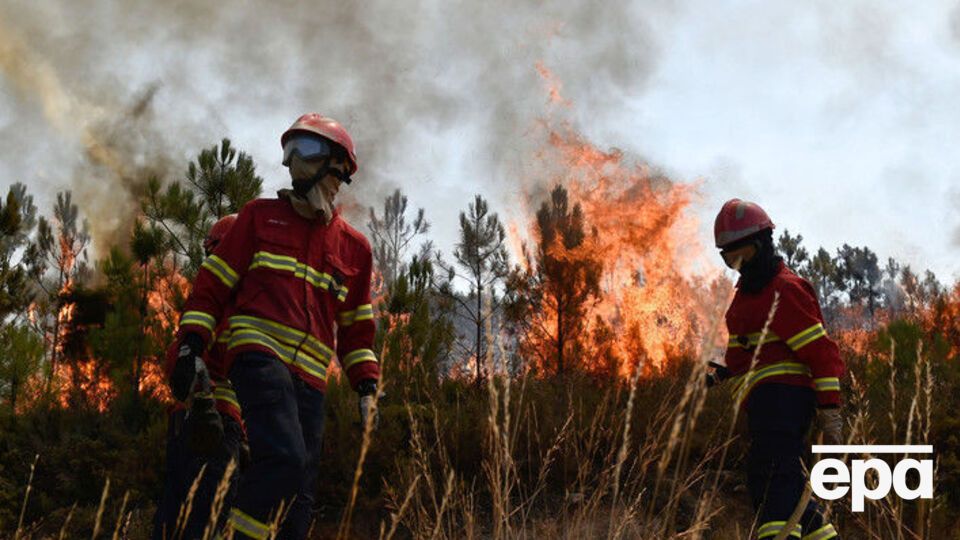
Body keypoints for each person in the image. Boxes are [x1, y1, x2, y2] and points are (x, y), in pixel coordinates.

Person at [170, 113, 380, 539]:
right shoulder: (259, 218)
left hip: (312, 379)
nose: (292, 162)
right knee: (282, 458)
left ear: (339, 167)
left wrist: (366, 383)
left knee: (299, 491)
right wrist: (191, 343)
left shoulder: (354, 250)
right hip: (257, 353)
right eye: (289, 151)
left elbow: (357, 325)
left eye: (306, 150)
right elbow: (213, 286)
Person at [711, 199, 843, 540]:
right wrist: (720, 373)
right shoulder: (743, 302)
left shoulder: (787, 290)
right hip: (763, 404)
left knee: (769, 481)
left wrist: (830, 410)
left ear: (765, 245)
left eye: (745, 256)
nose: (740, 266)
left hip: (785, 400)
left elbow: (821, 353)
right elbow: (741, 357)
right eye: (731, 259)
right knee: (790, 485)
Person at [154, 214, 246, 540]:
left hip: (188, 423)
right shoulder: (236, 308)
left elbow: (174, 364)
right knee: (206, 520)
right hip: (216, 426)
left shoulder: (204, 309)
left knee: (174, 516)